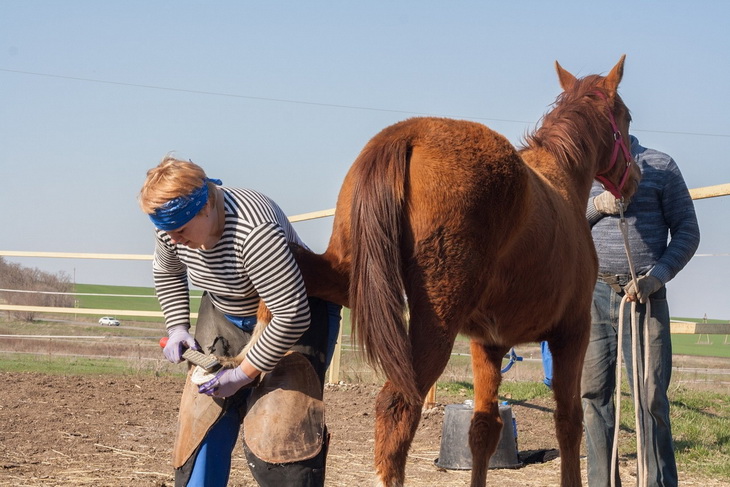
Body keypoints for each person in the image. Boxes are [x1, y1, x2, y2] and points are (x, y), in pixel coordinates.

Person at [138, 156, 341, 487]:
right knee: (201, 426)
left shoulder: (254, 233)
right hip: (223, 310)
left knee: (280, 438)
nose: (173, 241)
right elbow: (168, 269)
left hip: (292, 317)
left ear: (205, 208)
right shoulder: (172, 230)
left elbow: (292, 314)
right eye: (166, 232)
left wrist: (243, 374)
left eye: (180, 231)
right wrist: (177, 327)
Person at [582, 135, 700, 487]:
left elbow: (687, 231)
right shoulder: (584, 171)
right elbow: (565, 225)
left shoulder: (659, 166)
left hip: (645, 295)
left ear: (621, 123)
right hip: (594, 293)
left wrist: (657, 278)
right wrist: (596, 208)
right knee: (593, 395)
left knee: (650, 396)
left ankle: (658, 482)